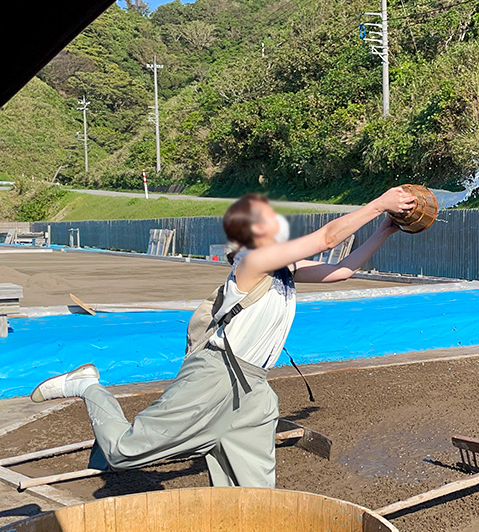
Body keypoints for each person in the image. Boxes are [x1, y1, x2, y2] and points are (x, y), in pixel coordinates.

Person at [30, 187, 415, 488]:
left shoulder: (284, 271)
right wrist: (379, 204)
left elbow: (342, 270)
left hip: (254, 388)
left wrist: (385, 230)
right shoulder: (253, 263)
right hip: (216, 373)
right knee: (123, 452)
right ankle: (87, 387)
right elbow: (329, 238)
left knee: (253, 487)